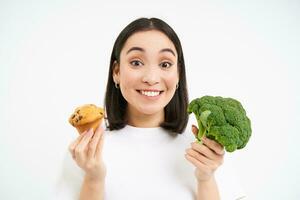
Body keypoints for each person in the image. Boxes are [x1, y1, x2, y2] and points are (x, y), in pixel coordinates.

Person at [54, 17, 246, 200]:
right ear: (117, 72)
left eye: (165, 64)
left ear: (178, 74)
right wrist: (93, 178)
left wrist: (206, 178)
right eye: (136, 62)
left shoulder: (206, 151)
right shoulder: (85, 151)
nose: (151, 78)